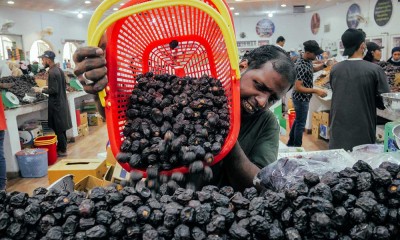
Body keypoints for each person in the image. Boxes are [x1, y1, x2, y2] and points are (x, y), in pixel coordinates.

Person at [73, 44, 296, 190]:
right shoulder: (197, 91)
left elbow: (258, 182)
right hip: (166, 201)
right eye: (259, 85)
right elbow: (131, 121)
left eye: (273, 98)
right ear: (243, 66)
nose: (262, 101)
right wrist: (99, 91)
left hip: (218, 214)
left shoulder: (266, 123)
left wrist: (225, 135)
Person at [329, 29, 389, 151]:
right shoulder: (374, 70)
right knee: (360, 165)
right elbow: (385, 102)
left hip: (338, 128)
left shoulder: (335, 69)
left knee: (339, 164)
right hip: (362, 129)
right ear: (362, 45)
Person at [287, 40, 327, 147]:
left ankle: (291, 144)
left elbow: (311, 70)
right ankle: (297, 147)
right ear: (308, 53)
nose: (317, 55)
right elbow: (298, 87)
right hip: (300, 99)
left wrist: (325, 65)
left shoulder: (307, 61)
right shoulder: (300, 65)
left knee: (298, 121)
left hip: (303, 98)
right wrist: (316, 90)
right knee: (300, 124)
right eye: (315, 53)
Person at [33, 51, 72, 157]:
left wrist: (40, 90)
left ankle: (62, 150)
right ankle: (62, 148)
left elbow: (54, 90)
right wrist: (47, 87)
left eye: (43, 59)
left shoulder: (52, 72)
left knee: (58, 129)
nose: (42, 61)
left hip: (56, 105)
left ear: (48, 60)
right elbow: (60, 86)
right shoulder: (58, 70)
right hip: (61, 102)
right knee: (61, 128)